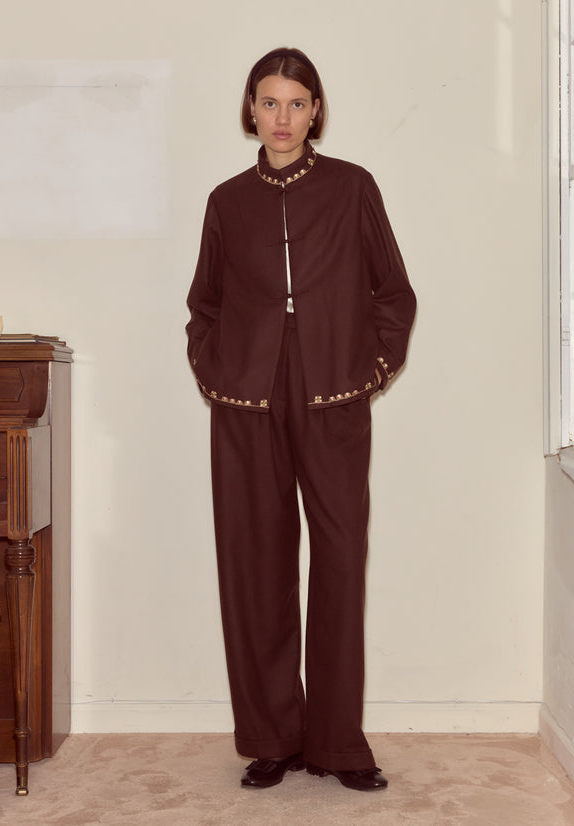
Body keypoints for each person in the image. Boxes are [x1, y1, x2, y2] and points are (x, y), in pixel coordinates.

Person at [186, 46, 416, 792]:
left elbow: (393, 292)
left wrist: (371, 370)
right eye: (269, 102)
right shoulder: (227, 201)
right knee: (255, 564)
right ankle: (273, 738)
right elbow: (204, 306)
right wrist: (215, 372)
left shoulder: (352, 187)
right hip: (246, 402)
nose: (281, 117)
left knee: (341, 562)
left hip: (333, 398)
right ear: (250, 110)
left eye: (295, 102)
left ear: (316, 110)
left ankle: (338, 743)